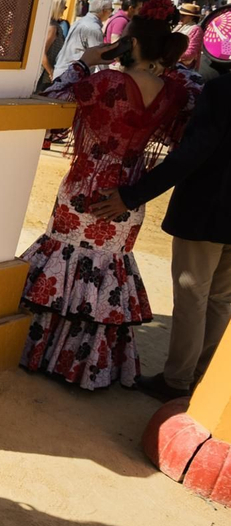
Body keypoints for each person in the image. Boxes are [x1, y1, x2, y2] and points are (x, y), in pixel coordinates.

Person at [22, 0, 200, 390]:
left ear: (129, 44)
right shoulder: (174, 93)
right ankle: (88, 366)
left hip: (85, 188)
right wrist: (164, 64)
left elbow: (52, 100)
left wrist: (87, 60)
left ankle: (42, 351)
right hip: (130, 194)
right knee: (106, 270)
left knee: (67, 259)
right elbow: (194, 93)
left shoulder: (104, 83)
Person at [91, 46, 230, 399]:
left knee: (193, 296)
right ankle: (200, 380)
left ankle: (177, 381)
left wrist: (134, 194)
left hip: (207, 211)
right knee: (221, 300)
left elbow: (192, 154)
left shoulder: (222, 91)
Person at [53, 0, 112, 75]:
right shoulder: (93, 28)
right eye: (111, 10)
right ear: (104, 10)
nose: (111, 13)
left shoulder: (80, 21)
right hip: (72, 74)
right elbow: (99, 57)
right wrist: (108, 77)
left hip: (63, 70)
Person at [39, 0, 71, 93]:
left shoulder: (47, 24)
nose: (64, 10)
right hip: (45, 74)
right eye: (63, 7)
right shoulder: (53, 27)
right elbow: (42, 54)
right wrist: (51, 72)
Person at [177, 1, 204, 71]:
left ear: (191, 17)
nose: (180, 17)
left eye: (184, 15)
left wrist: (173, 55)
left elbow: (191, 52)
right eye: (180, 15)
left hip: (183, 67)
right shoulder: (179, 26)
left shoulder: (196, 29)